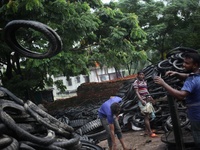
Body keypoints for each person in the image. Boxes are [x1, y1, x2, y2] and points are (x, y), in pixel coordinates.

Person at [153, 52, 200, 148]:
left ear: (195, 65)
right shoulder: (197, 75)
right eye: (184, 62)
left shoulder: (192, 81)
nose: (183, 65)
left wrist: (163, 84)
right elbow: (188, 75)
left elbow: (181, 95)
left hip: (196, 116)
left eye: (187, 63)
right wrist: (177, 74)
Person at [133, 71, 158, 138]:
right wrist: (141, 100)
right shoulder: (136, 82)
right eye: (140, 75)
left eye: (143, 75)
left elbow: (146, 91)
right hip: (143, 101)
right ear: (137, 75)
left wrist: (151, 98)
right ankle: (150, 133)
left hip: (148, 100)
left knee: (148, 116)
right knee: (146, 116)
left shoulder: (144, 81)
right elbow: (137, 92)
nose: (142, 76)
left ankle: (146, 131)